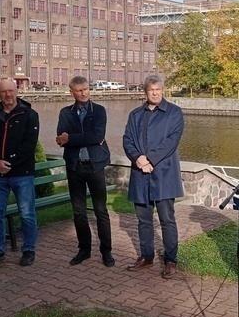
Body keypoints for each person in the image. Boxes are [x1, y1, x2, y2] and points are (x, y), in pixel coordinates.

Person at [123, 74, 184, 278]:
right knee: (143, 220)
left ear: (163, 90)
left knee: (167, 219)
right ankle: (146, 256)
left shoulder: (174, 113)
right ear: (145, 92)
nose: (155, 92)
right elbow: (127, 140)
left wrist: (149, 159)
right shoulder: (135, 115)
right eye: (151, 90)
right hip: (140, 175)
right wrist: (137, 159)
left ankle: (171, 260)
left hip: (164, 174)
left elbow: (171, 142)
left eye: (158, 89)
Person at [0, 79, 40, 268]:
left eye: (11, 91)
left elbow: (29, 145)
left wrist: (9, 163)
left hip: (22, 173)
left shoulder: (29, 115)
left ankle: (28, 249)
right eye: (3, 92)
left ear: (17, 91)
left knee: (27, 213)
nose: (8, 95)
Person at [56, 75, 115, 267]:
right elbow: (59, 138)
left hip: (95, 165)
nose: (83, 93)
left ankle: (106, 251)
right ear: (71, 92)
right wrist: (77, 138)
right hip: (74, 166)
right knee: (79, 211)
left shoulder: (98, 111)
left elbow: (98, 135)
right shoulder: (65, 112)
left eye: (86, 89)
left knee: (100, 210)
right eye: (79, 90)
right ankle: (84, 249)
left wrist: (70, 138)